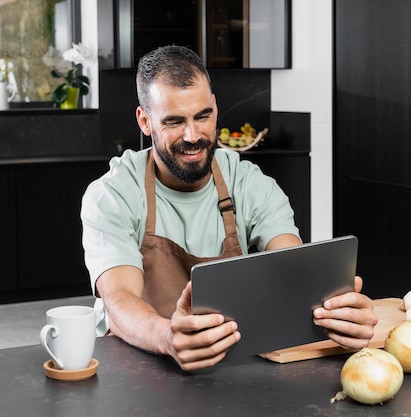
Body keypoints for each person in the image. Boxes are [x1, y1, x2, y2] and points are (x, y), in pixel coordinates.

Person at [80, 45, 378, 371]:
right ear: (145, 121)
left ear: (215, 107)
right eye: (175, 122)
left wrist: (337, 315)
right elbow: (119, 300)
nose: (193, 136)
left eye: (202, 116)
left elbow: (293, 272)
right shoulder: (113, 193)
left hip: (228, 362)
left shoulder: (250, 185)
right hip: (139, 365)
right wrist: (167, 337)